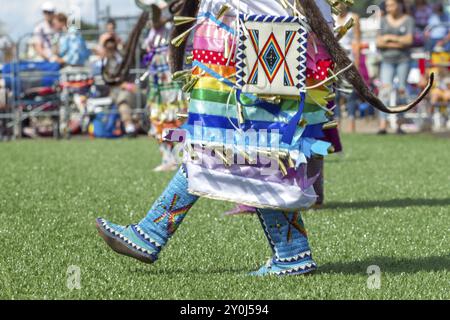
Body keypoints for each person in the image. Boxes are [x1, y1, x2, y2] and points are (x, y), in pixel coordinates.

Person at [95, 0, 430, 276]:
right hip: (264, 40)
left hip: (262, 42)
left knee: (235, 147)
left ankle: (153, 232)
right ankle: (290, 252)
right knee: (254, 150)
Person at [146, 3, 187, 172]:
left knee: (182, 119)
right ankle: (168, 158)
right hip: (161, 83)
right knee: (161, 120)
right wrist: (155, 6)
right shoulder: (158, 28)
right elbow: (156, 20)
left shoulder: (186, 24)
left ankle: (183, 158)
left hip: (180, 83)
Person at [376, 0, 414, 135]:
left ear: (399, 5)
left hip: (403, 60)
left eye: (391, 5)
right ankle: (382, 125)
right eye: (387, 5)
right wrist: (399, 41)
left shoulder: (408, 20)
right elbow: (378, 41)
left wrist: (389, 38)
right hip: (386, 60)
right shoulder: (383, 20)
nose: (388, 8)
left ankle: (400, 124)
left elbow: (409, 41)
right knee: (385, 91)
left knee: (402, 90)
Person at [102, 37, 140, 136]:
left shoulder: (121, 57)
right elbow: (108, 79)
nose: (110, 47)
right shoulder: (104, 62)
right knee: (122, 100)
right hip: (114, 92)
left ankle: (132, 126)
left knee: (125, 98)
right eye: (108, 46)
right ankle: (129, 126)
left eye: (112, 44)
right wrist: (122, 84)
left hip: (129, 90)